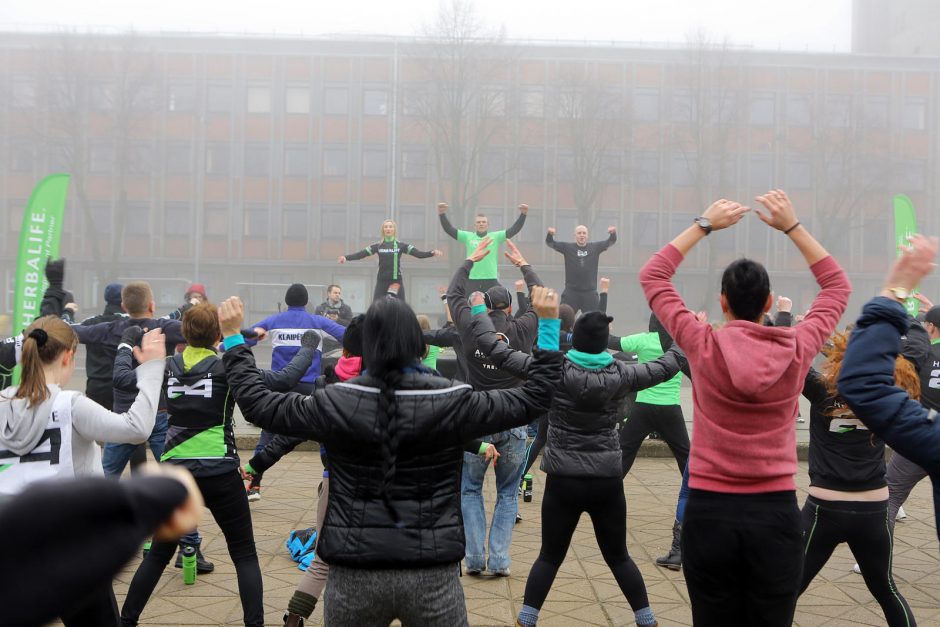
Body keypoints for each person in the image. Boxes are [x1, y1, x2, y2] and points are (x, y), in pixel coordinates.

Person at [218, 285, 563, 626]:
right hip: (432, 572)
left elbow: (258, 404)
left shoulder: (334, 401)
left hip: (354, 572)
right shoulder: (454, 399)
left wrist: (234, 338)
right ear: (419, 343)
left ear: (366, 345)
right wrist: (546, 326)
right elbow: (535, 397)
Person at [639, 190, 851, 626]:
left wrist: (705, 224)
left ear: (722, 302)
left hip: (709, 511)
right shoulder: (798, 346)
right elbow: (837, 286)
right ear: (770, 304)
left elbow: (654, 276)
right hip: (774, 512)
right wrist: (791, 225)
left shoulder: (701, 343)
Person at [469, 301, 684, 627]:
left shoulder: (553, 371)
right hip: (606, 481)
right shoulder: (623, 374)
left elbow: (498, 353)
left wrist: (477, 315)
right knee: (619, 557)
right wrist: (684, 333)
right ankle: (647, 621)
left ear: (576, 342)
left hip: (562, 480)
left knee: (549, 557)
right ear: (604, 344)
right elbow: (667, 365)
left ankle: (526, 621)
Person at [121, 303, 313, 627]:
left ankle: (126, 621)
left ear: (184, 332)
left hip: (174, 474)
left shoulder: (167, 366)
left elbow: (124, 379)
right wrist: (308, 347)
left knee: (157, 555)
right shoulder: (228, 368)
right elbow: (284, 379)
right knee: (244, 554)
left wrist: (128, 344)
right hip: (220, 472)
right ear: (218, 334)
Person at [0, 316, 166, 626]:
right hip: (71, 544)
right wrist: (152, 368)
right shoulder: (70, 405)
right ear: (68, 356)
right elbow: (137, 427)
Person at [796, 330, 917, 626]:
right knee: (886, 589)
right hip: (873, 509)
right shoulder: (888, 394)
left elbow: (793, 358)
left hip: (825, 508)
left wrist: (796, 326)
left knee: (785, 587)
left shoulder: (822, 388)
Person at [0, 465, 203, 627]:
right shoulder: (72, 411)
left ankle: (128, 620)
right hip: (75, 533)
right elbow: (136, 429)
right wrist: (160, 491)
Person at [447, 238, 543, 575]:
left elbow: (454, 294)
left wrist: (469, 261)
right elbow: (542, 300)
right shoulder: (523, 328)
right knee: (507, 493)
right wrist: (524, 266)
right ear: (508, 308)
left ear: (485, 307)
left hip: (477, 420)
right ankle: (499, 560)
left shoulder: (471, 329)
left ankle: (474, 559)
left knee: (470, 489)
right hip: (515, 422)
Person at [838, 234, 940, 546]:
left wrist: (895, 292)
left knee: (891, 493)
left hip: (920, 432)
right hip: (919, 433)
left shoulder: (926, 353)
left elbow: (863, 383)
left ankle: (875, 559)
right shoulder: (926, 348)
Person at [246, 283, 345, 500]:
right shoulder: (317, 321)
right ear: (306, 302)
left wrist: (220, 346)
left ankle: (253, 485)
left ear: (288, 301)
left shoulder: (274, 321)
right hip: (309, 387)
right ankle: (334, 482)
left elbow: (246, 338)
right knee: (324, 436)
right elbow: (348, 336)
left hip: (279, 388)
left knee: (268, 434)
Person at [339, 220, 442, 303]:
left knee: (401, 308)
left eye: (390, 227)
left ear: (394, 230)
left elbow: (419, 254)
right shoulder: (378, 246)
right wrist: (346, 257)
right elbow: (360, 254)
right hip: (382, 281)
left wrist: (432, 253)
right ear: (383, 230)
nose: (388, 229)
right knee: (376, 307)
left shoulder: (401, 245)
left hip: (396, 281)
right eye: (386, 227)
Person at [438, 202, 529, 293]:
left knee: (498, 303)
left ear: (487, 224)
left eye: (483, 222)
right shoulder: (467, 237)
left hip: (491, 279)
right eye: (478, 222)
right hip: (472, 279)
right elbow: (449, 229)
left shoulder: (496, 236)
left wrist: (523, 214)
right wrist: (442, 214)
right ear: (475, 225)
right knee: (467, 305)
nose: (481, 224)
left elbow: (514, 229)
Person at [545, 224, 617, 314]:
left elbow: (611, 241)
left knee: (594, 320)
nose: (582, 235)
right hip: (571, 292)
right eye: (579, 233)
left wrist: (613, 233)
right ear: (575, 236)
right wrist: (550, 235)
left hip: (589, 292)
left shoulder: (595, 247)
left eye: (584, 233)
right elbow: (550, 243)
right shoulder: (567, 247)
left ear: (587, 236)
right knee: (563, 318)